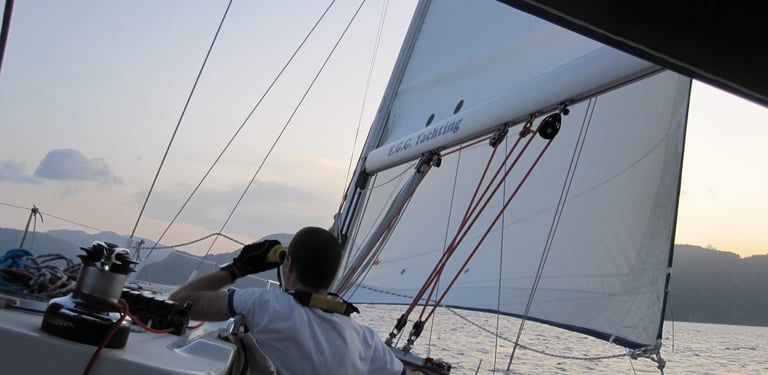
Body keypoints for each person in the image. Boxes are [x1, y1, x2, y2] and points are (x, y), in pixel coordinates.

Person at [169, 226, 424, 374]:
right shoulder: (365, 340)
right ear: (332, 277)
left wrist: (237, 269)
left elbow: (179, 302)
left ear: (288, 265)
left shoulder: (265, 305)